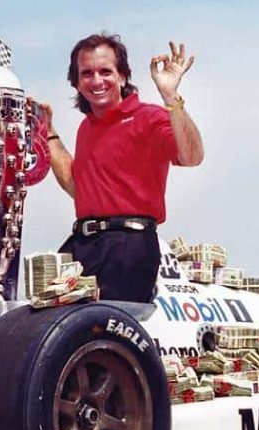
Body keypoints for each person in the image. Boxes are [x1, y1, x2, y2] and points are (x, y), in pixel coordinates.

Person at [35, 33, 204, 302]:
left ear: (122, 76)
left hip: (129, 246)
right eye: (87, 73)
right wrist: (48, 131)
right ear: (76, 82)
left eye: (105, 71)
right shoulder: (86, 128)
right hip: (84, 242)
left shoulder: (149, 118)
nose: (97, 81)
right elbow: (79, 187)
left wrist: (171, 96)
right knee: (49, 311)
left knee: (106, 323)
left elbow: (192, 157)